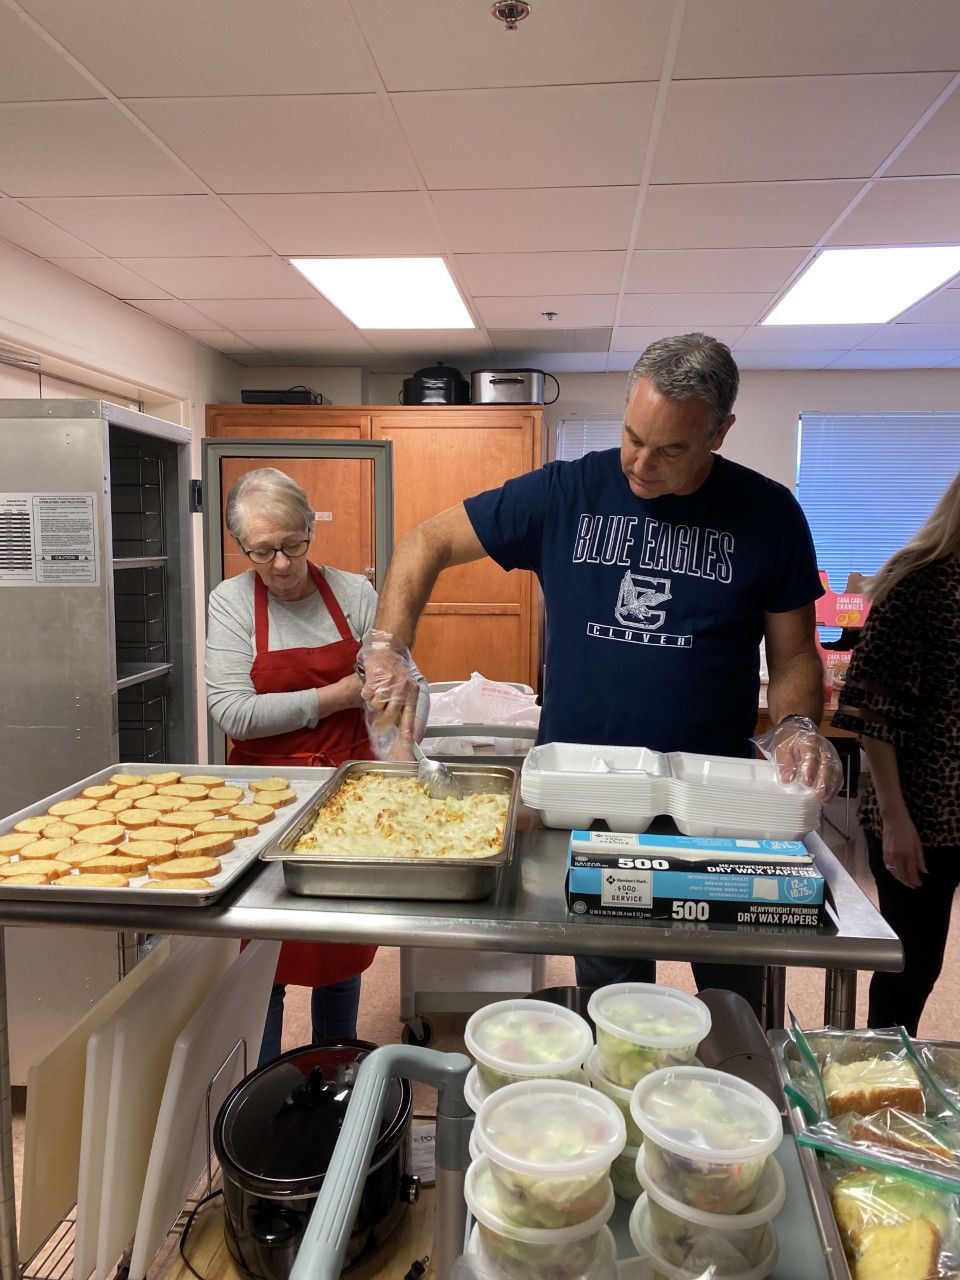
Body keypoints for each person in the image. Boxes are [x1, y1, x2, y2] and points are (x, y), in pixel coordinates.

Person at [359, 333, 841, 1018]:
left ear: (720, 433)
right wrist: (387, 643)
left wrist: (797, 725)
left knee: (739, 1013)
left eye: (670, 448)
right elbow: (425, 540)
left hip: (719, 805)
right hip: (593, 805)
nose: (640, 463)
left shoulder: (769, 515)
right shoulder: (566, 493)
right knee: (616, 1008)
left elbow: (793, 654)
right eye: (632, 436)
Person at [205, 467, 428, 1062]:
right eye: (262, 551)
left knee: (337, 946)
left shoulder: (354, 595)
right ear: (242, 547)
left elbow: (407, 680)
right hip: (263, 805)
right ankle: (263, 1086)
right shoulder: (229, 603)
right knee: (264, 954)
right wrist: (337, 696)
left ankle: (338, 1073)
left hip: (346, 799)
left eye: (293, 545)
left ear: (310, 530)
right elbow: (233, 712)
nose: (280, 564)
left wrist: (402, 736)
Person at [832, 471, 960, 1035]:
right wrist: (896, 820)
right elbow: (873, 717)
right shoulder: (919, 583)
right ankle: (879, 1068)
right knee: (914, 963)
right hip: (922, 813)